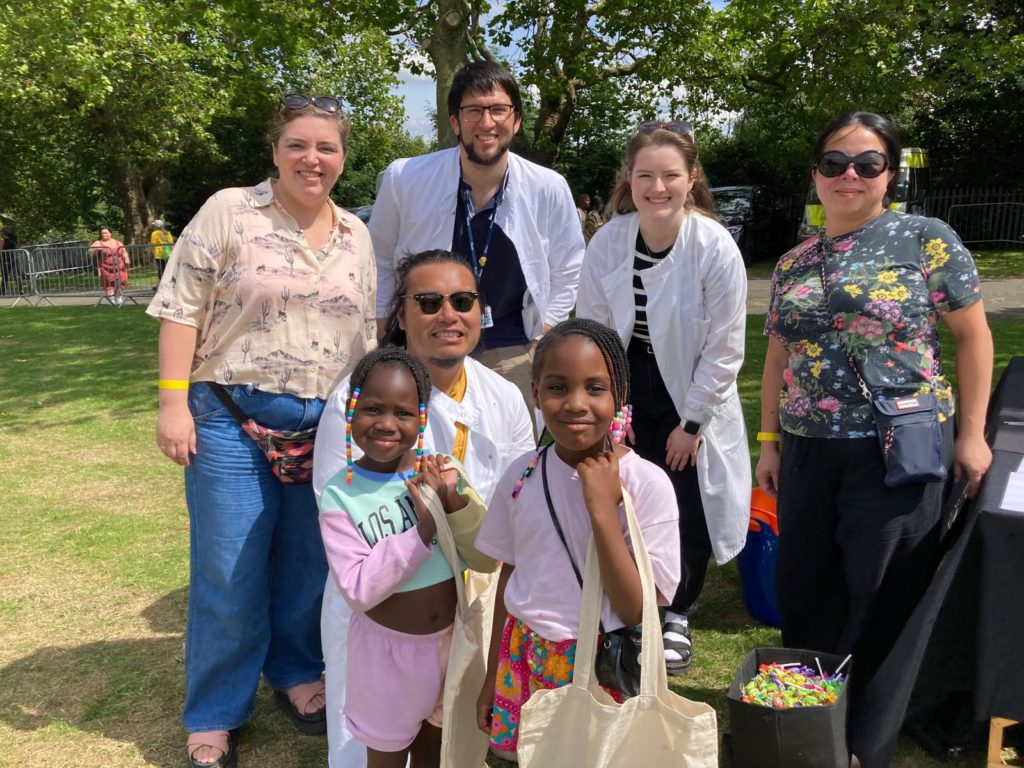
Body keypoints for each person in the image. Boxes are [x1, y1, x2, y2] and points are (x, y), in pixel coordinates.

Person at [148, 93, 376, 768]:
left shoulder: (356, 233)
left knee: (309, 561)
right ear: (275, 150)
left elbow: (363, 335)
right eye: (299, 145)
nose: (313, 159)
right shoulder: (229, 211)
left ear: (341, 156)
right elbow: (181, 309)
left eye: (326, 147)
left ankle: (297, 671)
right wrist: (172, 403)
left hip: (326, 422)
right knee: (229, 567)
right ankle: (216, 709)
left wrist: (366, 424)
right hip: (228, 416)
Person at [754, 111, 993, 754]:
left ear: (891, 173)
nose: (849, 175)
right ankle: (805, 727)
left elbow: (972, 338)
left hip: (896, 448)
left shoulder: (926, 239)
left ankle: (871, 735)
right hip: (807, 449)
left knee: (882, 591)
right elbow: (778, 355)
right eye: (834, 163)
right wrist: (769, 443)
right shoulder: (795, 261)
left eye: (867, 163)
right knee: (805, 588)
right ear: (815, 175)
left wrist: (972, 435)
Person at [313, 248, 536, 768]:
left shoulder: (503, 398)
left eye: (462, 301)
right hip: (380, 618)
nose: (448, 315)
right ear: (401, 314)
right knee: (369, 750)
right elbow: (337, 509)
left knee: (451, 741)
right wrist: (423, 530)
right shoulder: (355, 401)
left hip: (467, 605)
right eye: (429, 301)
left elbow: (517, 506)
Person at [576, 121, 751, 675]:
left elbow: (725, 346)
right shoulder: (609, 241)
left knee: (683, 503)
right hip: (629, 382)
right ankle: (625, 605)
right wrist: (613, 410)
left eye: (670, 176)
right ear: (629, 179)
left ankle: (675, 611)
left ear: (691, 178)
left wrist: (693, 423)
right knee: (627, 496)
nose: (658, 188)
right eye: (645, 175)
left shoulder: (713, 245)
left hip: (691, 391)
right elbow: (595, 333)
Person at [473, 318, 681, 760]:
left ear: (619, 396)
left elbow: (634, 609)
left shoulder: (645, 486)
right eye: (557, 387)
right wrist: (492, 675)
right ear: (535, 393)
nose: (575, 403)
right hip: (522, 659)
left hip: (601, 665)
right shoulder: (520, 477)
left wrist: (603, 510)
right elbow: (510, 578)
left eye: (594, 388)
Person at [369, 60, 585, 407]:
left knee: (510, 456)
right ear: (455, 122)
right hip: (425, 345)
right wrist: (384, 329)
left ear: (515, 120)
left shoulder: (548, 187)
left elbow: (569, 266)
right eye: (473, 111)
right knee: (423, 452)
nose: (487, 122)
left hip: (511, 351)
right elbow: (377, 257)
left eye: (498, 109)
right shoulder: (405, 179)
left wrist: (545, 333)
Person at [319, 345, 495, 768]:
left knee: (436, 750)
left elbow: (486, 558)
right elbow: (359, 589)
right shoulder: (339, 494)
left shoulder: (441, 469)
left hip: (450, 645)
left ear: (422, 416)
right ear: (351, 411)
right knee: (388, 756)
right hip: (387, 658)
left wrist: (453, 504)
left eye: (403, 412)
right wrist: (423, 530)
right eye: (373, 409)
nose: (386, 424)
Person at [90, 227, 130, 303]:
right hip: (106, 268)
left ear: (110, 234)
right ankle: (111, 300)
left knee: (120, 281)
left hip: (119, 267)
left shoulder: (117, 242)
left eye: (105, 233)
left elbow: (124, 251)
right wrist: (95, 249)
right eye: (102, 233)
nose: (103, 234)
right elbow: (90, 251)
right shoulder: (98, 242)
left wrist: (127, 259)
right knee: (109, 283)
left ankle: (119, 298)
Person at [150, 218, 175, 286]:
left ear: (156, 226)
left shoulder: (154, 233)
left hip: (159, 253)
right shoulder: (167, 233)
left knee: (161, 269)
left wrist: (152, 253)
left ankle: (160, 284)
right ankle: (168, 282)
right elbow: (171, 244)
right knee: (167, 268)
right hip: (168, 253)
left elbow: (153, 244)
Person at [1, 225, 24, 297]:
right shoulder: (13, 240)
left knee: (6, 275)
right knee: (15, 275)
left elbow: (2, 249)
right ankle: (21, 289)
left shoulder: (7, 241)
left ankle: (3, 291)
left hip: (8, 259)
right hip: (13, 258)